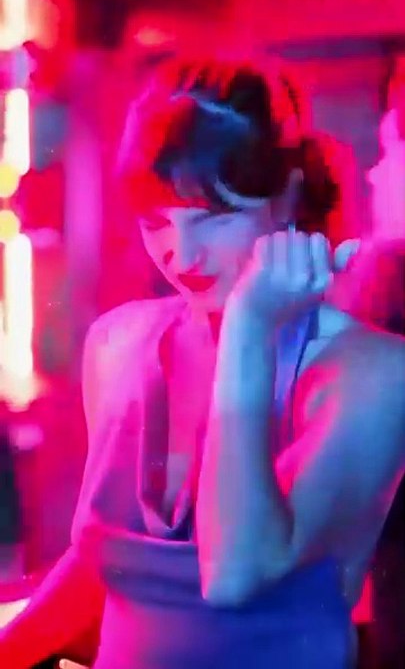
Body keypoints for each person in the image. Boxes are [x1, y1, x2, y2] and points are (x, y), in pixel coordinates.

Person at [0, 57, 404, 669]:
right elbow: (96, 566)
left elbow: (235, 573)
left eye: (214, 218)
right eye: (156, 222)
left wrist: (247, 329)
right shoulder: (119, 344)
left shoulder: (372, 374)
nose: (181, 254)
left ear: (287, 198)